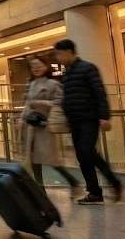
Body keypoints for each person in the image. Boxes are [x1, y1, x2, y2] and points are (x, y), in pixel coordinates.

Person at [54, 39, 123, 204]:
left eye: (59, 54)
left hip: (89, 119)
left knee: (86, 151)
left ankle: (114, 183)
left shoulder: (87, 68)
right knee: (82, 155)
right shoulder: (67, 73)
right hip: (75, 121)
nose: (58, 57)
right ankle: (94, 192)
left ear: (69, 51)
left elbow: (100, 93)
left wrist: (104, 116)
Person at [19, 56, 81, 195]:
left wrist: (42, 103)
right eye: (33, 66)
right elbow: (27, 105)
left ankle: (73, 182)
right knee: (34, 159)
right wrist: (22, 119)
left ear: (45, 66)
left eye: (39, 65)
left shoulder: (53, 84)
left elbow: (60, 102)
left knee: (51, 159)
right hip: (31, 126)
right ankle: (41, 190)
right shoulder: (31, 84)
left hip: (46, 125)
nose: (36, 68)